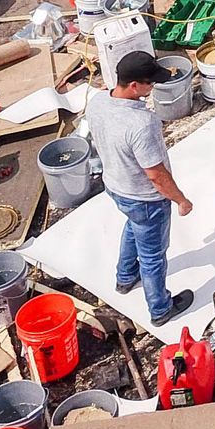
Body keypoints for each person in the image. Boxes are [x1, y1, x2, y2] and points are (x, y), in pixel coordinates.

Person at [85, 51, 195, 326]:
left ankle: (125, 278)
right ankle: (160, 309)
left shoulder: (97, 102)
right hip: (146, 199)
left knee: (134, 228)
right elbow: (156, 174)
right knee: (153, 257)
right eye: (150, 83)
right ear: (135, 86)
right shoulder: (141, 123)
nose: (153, 87)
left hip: (116, 187)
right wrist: (180, 200)